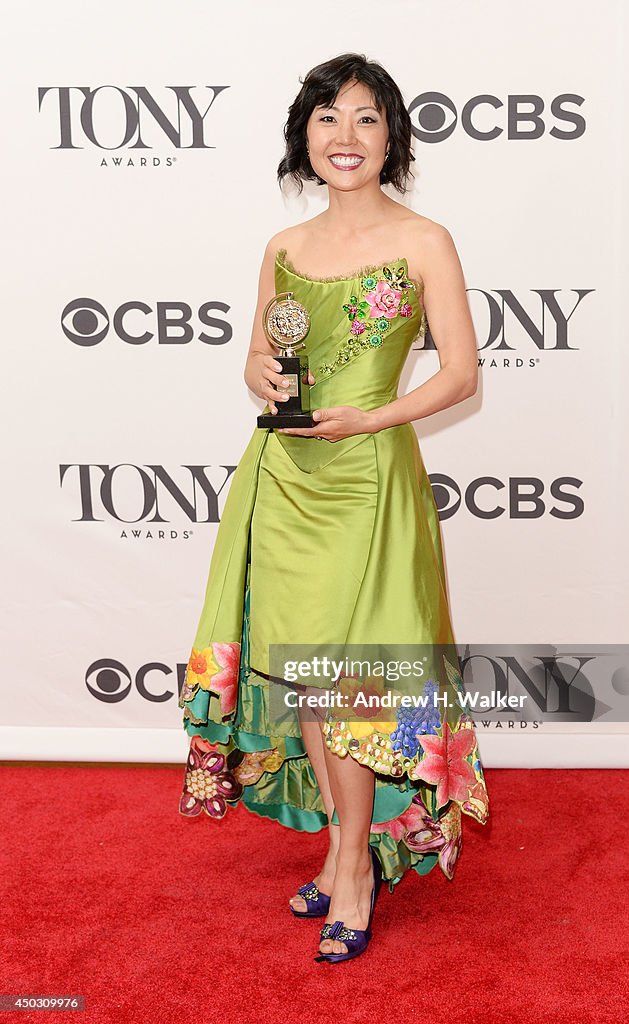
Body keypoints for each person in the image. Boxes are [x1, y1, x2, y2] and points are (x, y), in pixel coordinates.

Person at [177, 51, 490, 964]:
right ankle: (344, 846)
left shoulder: (424, 238)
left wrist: (374, 416)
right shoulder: (283, 248)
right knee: (301, 681)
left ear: (391, 135)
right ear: (302, 137)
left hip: (367, 482)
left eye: (363, 118)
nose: (344, 137)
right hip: (283, 480)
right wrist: (259, 374)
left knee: (344, 683)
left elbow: (462, 374)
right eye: (326, 119)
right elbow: (254, 359)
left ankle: (354, 864)